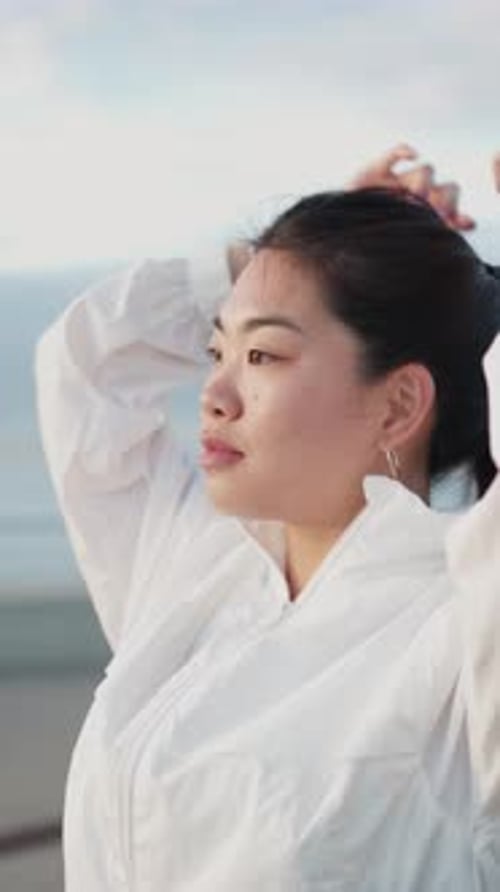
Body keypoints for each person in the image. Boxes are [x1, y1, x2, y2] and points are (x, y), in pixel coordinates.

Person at [35, 147, 500, 891]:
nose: (214, 393)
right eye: (216, 349)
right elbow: (85, 365)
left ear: (400, 405)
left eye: (263, 355)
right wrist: (294, 256)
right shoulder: (197, 573)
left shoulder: (462, 631)